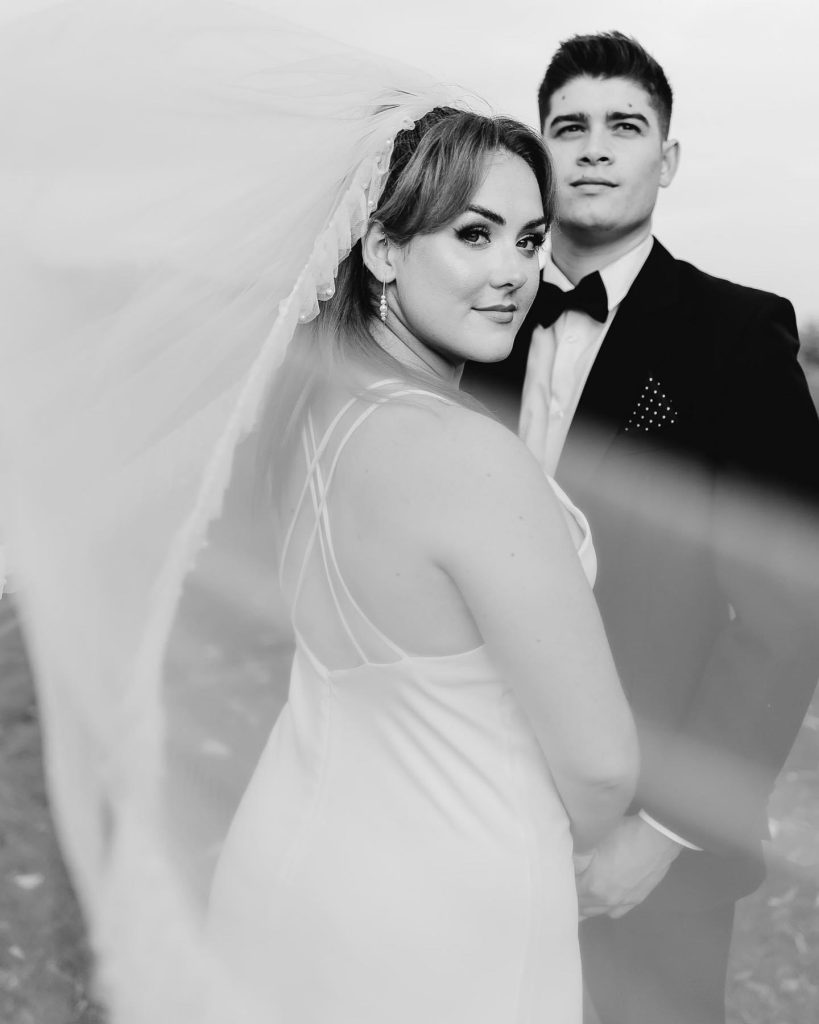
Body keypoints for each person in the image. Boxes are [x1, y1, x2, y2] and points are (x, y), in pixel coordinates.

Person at [0, 5, 638, 1022]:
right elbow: (602, 767)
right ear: (381, 252)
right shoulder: (466, 457)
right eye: (472, 234)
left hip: (296, 866)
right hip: (445, 903)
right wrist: (615, 827)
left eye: (527, 237)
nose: (514, 270)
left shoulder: (309, 423)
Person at [463, 29, 819, 1024]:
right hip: (466, 799)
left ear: (666, 160)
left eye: (625, 126)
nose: (593, 148)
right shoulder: (470, 327)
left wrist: (663, 829)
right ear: (537, 153)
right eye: (568, 126)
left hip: (643, 839)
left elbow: (788, 611)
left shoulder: (738, 337)